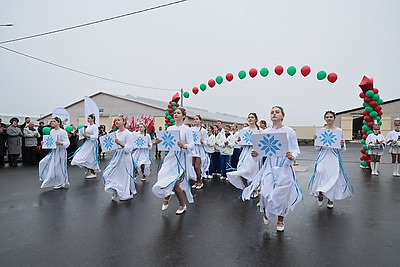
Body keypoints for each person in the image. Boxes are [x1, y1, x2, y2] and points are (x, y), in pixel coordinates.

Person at [244, 106, 302, 232]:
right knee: (265, 192)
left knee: (280, 195)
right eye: (272, 112)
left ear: (282, 116)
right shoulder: (265, 132)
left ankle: (280, 219)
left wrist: (292, 156)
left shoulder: (289, 131)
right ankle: (266, 211)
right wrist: (255, 154)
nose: (274, 114)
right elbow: (261, 152)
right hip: (269, 166)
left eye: (277, 112)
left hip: (284, 166)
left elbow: (296, 149)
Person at [152, 107, 195, 215]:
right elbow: (167, 142)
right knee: (163, 176)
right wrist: (158, 141)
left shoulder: (187, 129)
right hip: (171, 157)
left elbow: (192, 145)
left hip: (181, 159)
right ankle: (167, 196)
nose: (175, 114)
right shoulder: (170, 128)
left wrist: (184, 145)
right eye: (175, 113)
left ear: (183, 116)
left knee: (175, 182)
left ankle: (182, 205)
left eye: (178, 113)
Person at [308, 111, 354, 209]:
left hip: (334, 157)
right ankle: (320, 193)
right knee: (320, 172)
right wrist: (315, 140)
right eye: (327, 117)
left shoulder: (339, 131)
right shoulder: (321, 130)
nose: (329, 118)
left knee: (333, 176)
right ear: (325, 118)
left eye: (331, 117)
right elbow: (317, 148)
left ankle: (330, 198)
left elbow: (343, 148)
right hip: (323, 156)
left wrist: (342, 145)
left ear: (334, 118)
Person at [103, 115, 137, 201]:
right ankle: (116, 189)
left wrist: (120, 144)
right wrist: (105, 146)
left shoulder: (128, 133)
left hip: (125, 158)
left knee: (124, 176)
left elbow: (129, 148)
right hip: (117, 156)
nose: (117, 121)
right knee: (108, 173)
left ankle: (126, 193)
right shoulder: (115, 133)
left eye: (119, 120)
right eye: (116, 120)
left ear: (124, 122)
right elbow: (113, 147)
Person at [227, 113, 262, 193]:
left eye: (252, 117)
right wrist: (239, 140)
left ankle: (254, 188)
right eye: (249, 117)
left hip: (255, 152)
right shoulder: (244, 130)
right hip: (245, 152)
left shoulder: (260, 131)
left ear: (256, 119)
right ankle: (247, 187)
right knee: (242, 170)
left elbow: (262, 143)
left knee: (254, 171)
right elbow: (241, 143)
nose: (250, 119)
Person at [39, 117, 70, 189]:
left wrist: (60, 143)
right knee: (43, 162)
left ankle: (60, 182)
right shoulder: (52, 131)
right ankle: (46, 177)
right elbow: (50, 141)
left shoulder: (63, 132)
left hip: (61, 152)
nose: (52, 123)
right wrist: (44, 142)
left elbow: (67, 143)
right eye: (51, 121)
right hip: (54, 152)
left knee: (58, 167)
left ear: (58, 123)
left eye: (54, 121)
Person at [71, 114, 100, 179]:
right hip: (87, 142)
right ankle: (86, 167)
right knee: (82, 154)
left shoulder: (94, 127)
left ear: (93, 119)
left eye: (89, 118)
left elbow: (95, 136)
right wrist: (81, 134)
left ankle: (93, 172)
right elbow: (85, 134)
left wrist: (86, 135)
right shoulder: (89, 126)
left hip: (92, 144)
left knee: (90, 157)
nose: (88, 119)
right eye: (87, 118)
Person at [191, 115, 210, 189]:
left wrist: (203, 142)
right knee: (193, 166)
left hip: (200, 150)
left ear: (200, 120)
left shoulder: (203, 130)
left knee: (197, 166)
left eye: (197, 119)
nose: (195, 120)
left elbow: (206, 141)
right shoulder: (192, 129)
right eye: (194, 119)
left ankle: (200, 181)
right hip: (193, 150)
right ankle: (196, 181)